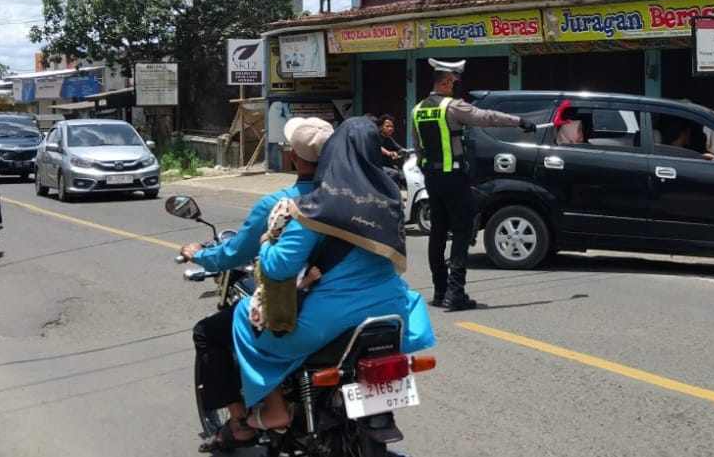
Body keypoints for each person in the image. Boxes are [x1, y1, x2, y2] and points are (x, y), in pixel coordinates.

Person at [230, 117, 435, 432]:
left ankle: (274, 409)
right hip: (393, 311)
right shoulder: (390, 196)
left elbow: (278, 267)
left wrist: (268, 243)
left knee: (244, 315)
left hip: (330, 319)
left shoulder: (317, 204)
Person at [181, 116, 332, 452]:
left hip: (298, 303)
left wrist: (198, 255)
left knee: (209, 332)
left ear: (293, 156)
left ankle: (240, 425)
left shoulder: (280, 203)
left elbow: (235, 252)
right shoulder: (346, 198)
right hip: (341, 299)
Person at [412, 59, 533, 311]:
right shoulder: (452, 106)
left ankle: (440, 291)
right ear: (445, 82)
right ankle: (456, 294)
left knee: (437, 233)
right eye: (453, 82)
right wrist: (519, 121)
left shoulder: (417, 110)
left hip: (432, 180)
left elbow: (418, 148)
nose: (455, 87)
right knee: (462, 232)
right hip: (454, 179)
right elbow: (486, 117)